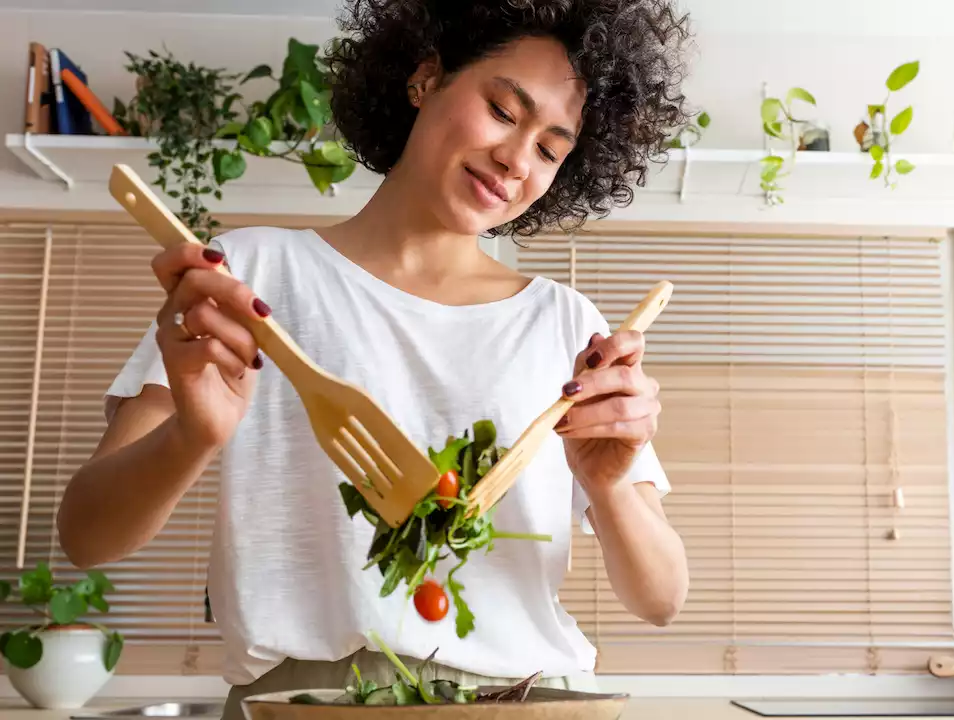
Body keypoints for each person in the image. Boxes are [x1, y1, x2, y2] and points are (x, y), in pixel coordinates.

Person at [56, 1, 692, 717]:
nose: (517, 159)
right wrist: (192, 435)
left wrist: (608, 487)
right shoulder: (249, 276)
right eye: (502, 110)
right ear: (425, 79)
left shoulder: (564, 324)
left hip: (530, 699)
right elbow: (86, 537)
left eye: (550, 149)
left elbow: (662, 598)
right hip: (305, 701)